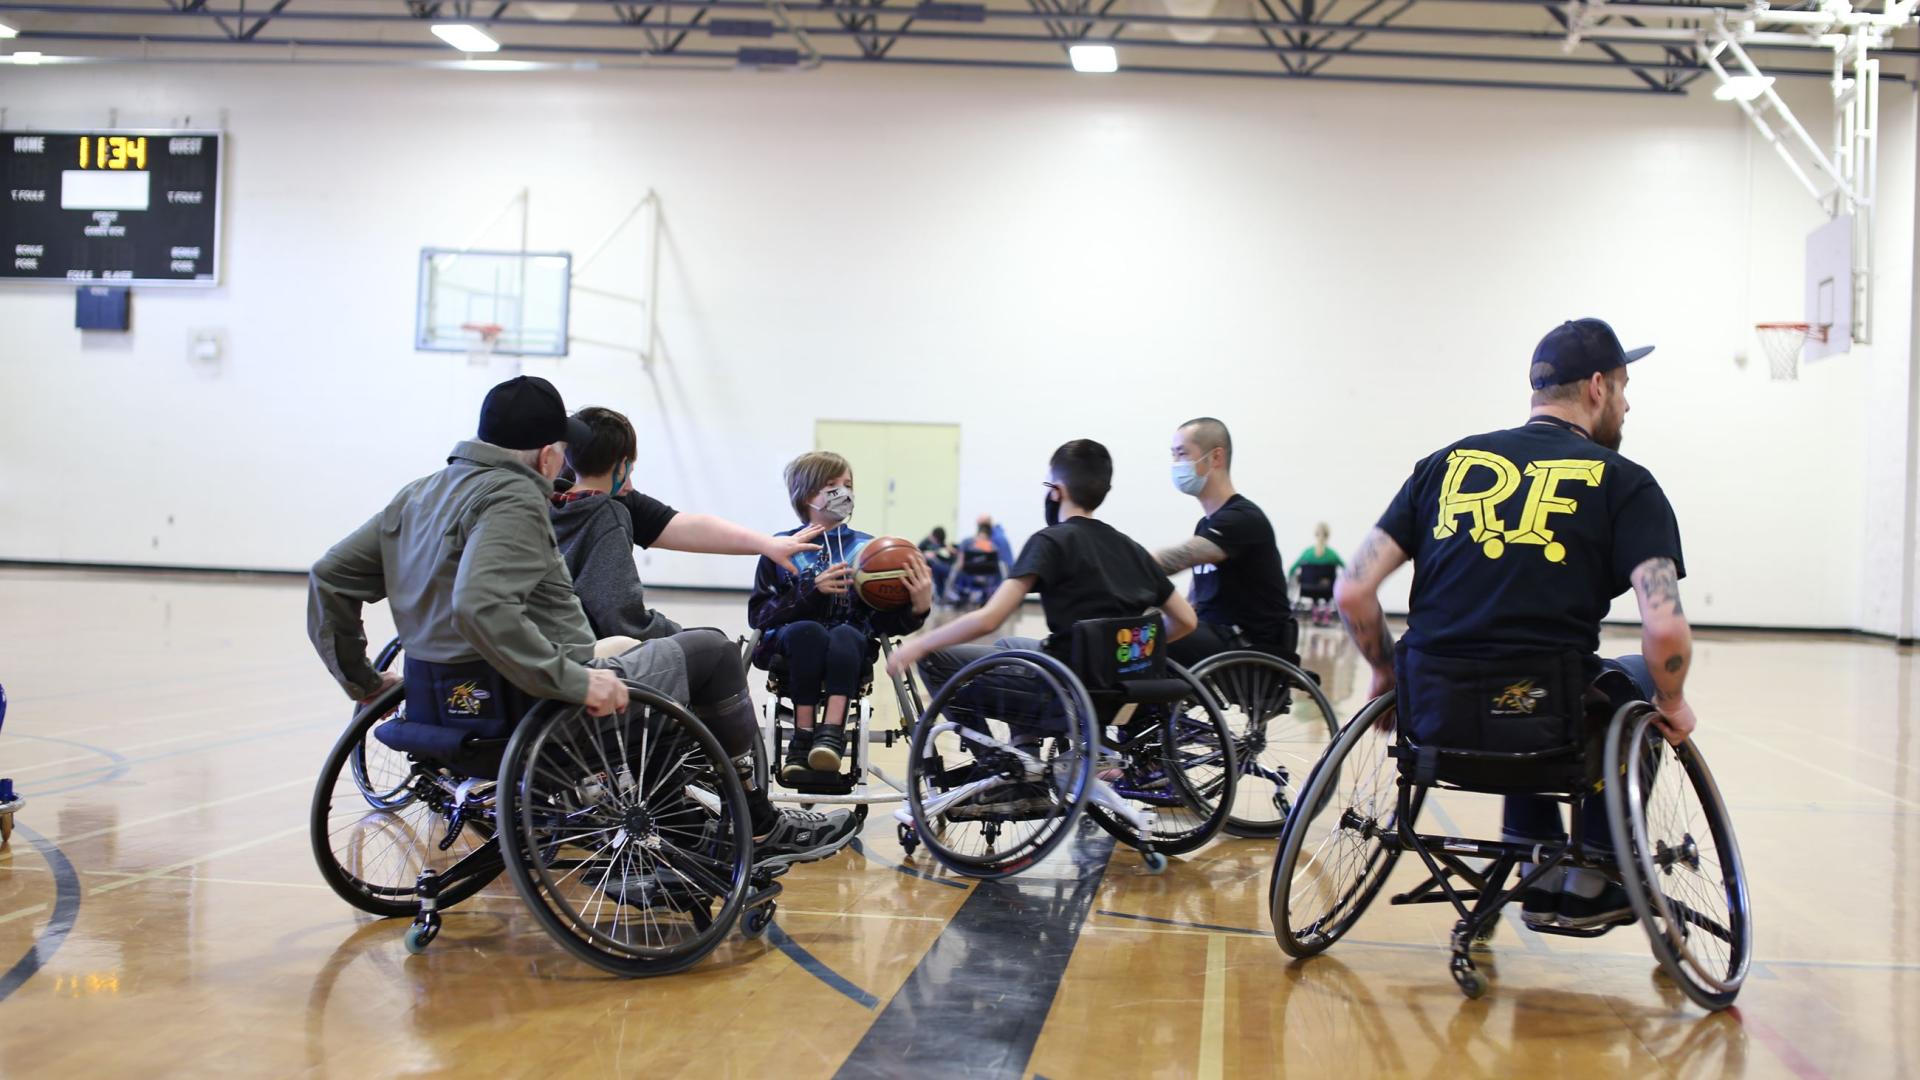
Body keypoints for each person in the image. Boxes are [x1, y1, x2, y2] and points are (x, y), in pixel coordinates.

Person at [308, 375, 857, 867]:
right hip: (537, 705)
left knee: (654, 656)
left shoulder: (418, 494)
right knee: (710, 652)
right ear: (549, 455)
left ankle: (685, 828)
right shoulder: (519, 498)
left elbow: (329, 577)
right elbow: (484, 605)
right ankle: (756, 825)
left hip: (439, 708)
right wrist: (575, 680)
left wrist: (362, 681)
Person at [1333, 318, 1696, 932]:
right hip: (1541, 713)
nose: (1629, 403)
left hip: (1437, 716)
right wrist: (1675, 700)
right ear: (1599, 388)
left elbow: (1352, 589)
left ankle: (1534, 852)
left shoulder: (1442, 466)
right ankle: (1598, 870)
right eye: (1627, 386)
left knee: (1524, 683)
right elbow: (1664, 631)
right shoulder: (1626, 484)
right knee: (1621, 682)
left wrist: (1384, 669)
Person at [888, 439, 1199, 756]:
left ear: (1057, 490)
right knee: (1010, 645)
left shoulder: (1051, 541)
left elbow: (990, 618)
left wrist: (921, 644)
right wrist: (1126, 651)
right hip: (1117, 691)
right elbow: (1186, 620)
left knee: (933, 661)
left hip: (1062, 692)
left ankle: (993, 763)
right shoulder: (1132, 548)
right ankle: (1026, 751)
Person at [550, 405, 822, 640]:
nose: (629, 485)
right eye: (629, 469)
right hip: (592, 645)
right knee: (713, 646)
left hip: (563, 641)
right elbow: (621, 618)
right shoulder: (609, 513)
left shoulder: (558, 497)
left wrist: (767, 544)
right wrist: (674, 633)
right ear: (620, 465)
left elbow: (687, 526)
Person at [749, 451, 933, 779]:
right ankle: (802, 738)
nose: (844, 492)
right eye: (832, 485)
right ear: (806, 495)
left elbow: (881, 624)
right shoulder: (779, 546)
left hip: (849, 647)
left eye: (848, 484)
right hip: (792, 646)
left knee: (848, 634)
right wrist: (809, 589)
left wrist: (917, 607)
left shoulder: (870, 549)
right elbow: (760, 616)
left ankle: (830, 736)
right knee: (807, 631)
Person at [1152, 417, 1298, 666]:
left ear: (1216, 457)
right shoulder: (1206, 525)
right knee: (1140, 636)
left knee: (1146, 640)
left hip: (1246, 644)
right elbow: (1194, 603)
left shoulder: (1242, 519)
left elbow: (1172, 560)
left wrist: (1123, 565)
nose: (1176, 464)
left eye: (1182, 454)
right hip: (1214, 635)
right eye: (1173, 455)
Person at [944, 517, 1007, 611]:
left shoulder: (968, 543)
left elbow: (960, 564)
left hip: (969, 578)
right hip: (987, 580)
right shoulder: (994, 548)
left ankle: (951, 597)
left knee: (955, 568)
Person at [1288, 523, 1345, 626]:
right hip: (1327, 590)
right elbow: (1347, 570)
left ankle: (1315, 612)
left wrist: (1297, 578)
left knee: (1314, 587)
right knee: (1328, 584)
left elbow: (1291, 570)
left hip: (1307, 589)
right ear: (1328, 535)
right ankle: (1326, 612)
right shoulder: (1332, 555)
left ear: (1315, 534)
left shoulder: (1307, 553)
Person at [919, 526, 956, 600]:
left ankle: (941, 595)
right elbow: (918, 552)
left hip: (940, 567)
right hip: (929, 567)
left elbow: (948, 555)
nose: (936, 542)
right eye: (936, 540)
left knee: (939, 571)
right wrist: (925, 554)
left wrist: (951, 551)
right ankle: (941, 594)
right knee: (937, 569)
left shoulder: (942, 544)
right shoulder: (925, 542)